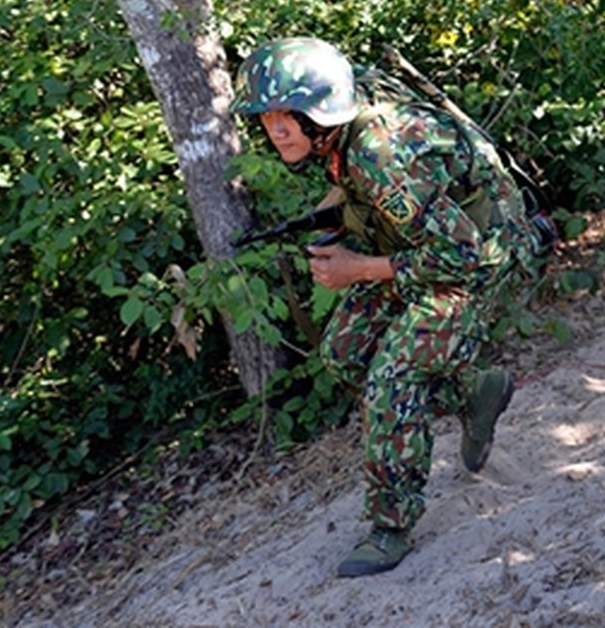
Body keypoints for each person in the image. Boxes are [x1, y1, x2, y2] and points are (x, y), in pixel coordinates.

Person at [230, 37, 551, 578]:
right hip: (420, 249)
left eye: (290, 115)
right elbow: (364, 191)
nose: (277, 129)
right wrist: (336, 219)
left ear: (321, 113)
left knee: (393, 381)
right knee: (344, 350)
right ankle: (475, 392)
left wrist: (356, 268)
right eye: (268, 117)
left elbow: (461, 255)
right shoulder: (346, 113)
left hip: (482, 254)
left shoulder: (379, 154)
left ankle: (391, 526)